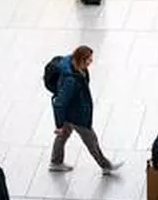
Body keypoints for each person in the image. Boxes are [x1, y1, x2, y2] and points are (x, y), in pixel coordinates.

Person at [49, 45, 124, 174]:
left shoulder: (73, 66)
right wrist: (59, 124)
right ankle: (106, 166)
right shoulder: (70, 80)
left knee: (62, 136)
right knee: (91, 140)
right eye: (89, 59)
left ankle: (56, 162)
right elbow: (60, 103)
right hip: (77, 115)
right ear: (80, 59)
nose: (91, 62)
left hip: (70, 113)